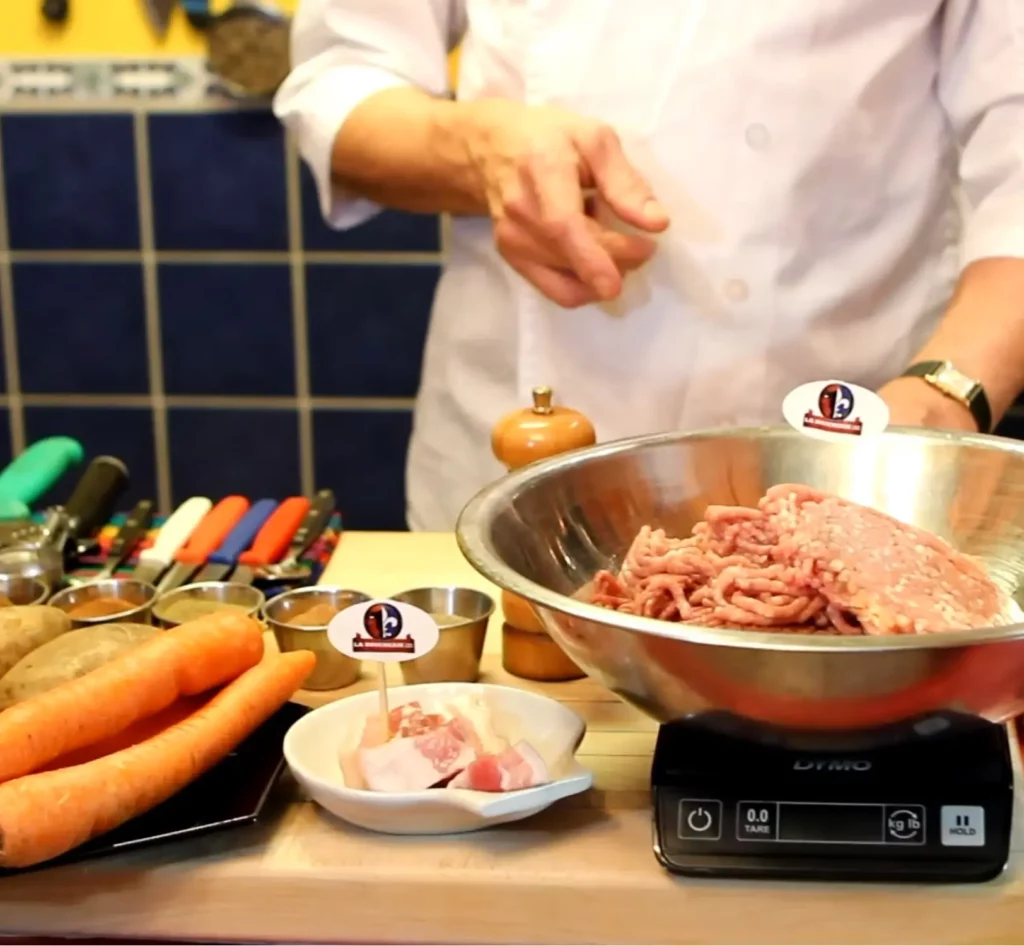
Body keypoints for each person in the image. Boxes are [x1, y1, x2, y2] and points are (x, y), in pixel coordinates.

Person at [274, 1, 1024, 531]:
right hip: (521, 462)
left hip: (863, 450)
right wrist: (482, 153)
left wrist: (940, 401)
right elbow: (341, 82)